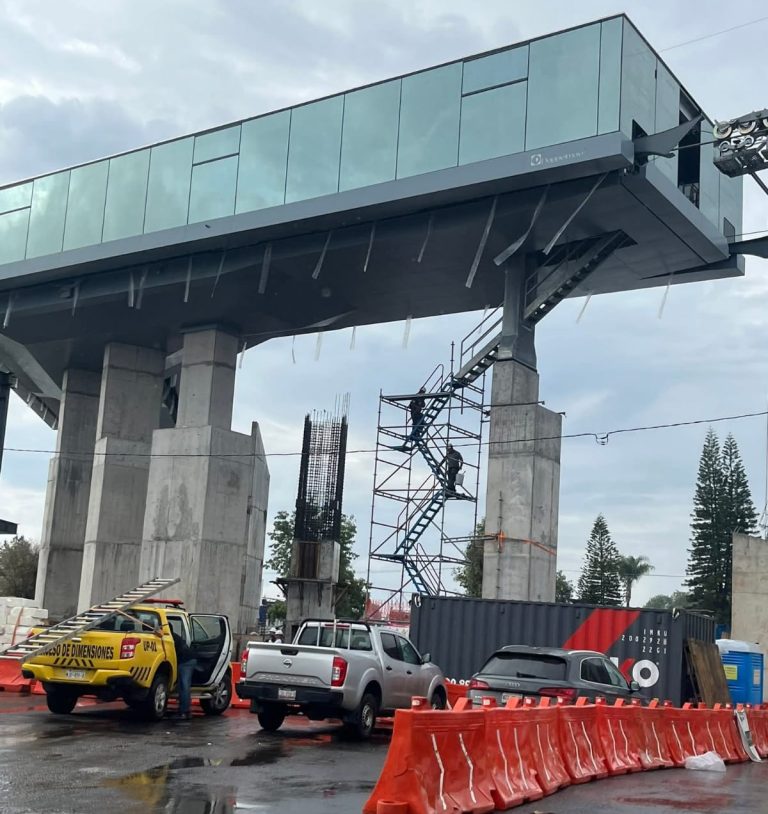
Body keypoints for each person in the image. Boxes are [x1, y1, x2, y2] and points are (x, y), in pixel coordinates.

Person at [171, 628, 197, 720]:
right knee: (183, 686)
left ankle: (184, 712)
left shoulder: (170, 638)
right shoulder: (174, 636)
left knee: (184, 686)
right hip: (189, 659)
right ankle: (186, 711)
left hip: (186, 661)